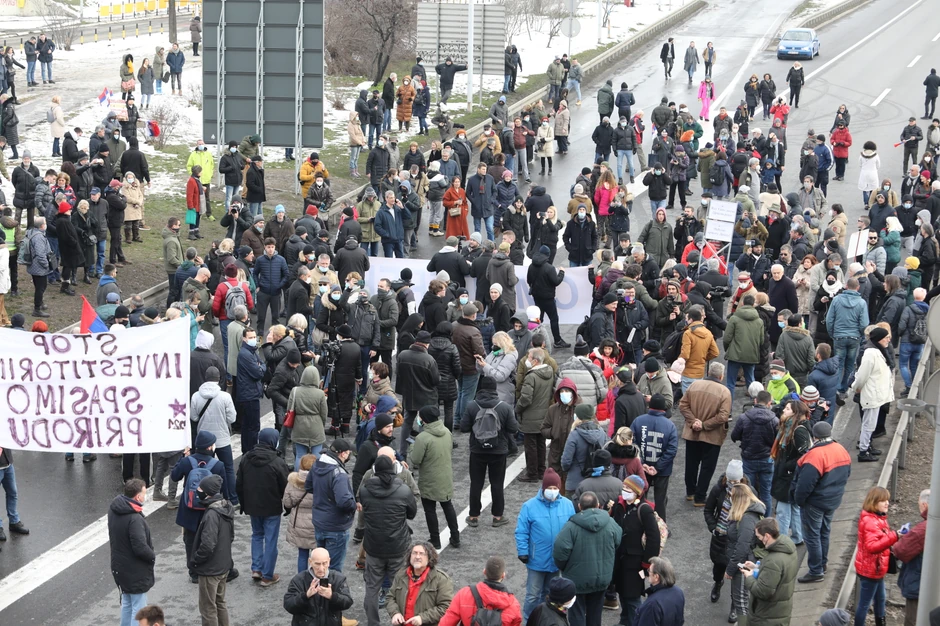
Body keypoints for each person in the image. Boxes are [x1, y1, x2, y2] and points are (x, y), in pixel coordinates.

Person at [359, 455, 418, 626]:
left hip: (373, 545)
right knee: (400, 588)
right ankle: (400, 621)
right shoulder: (404, 490)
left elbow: (364, 510)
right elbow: (412, 513)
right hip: (398, 546)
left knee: (372, 587)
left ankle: (373, 622)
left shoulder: (364, 490)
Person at [793, 421, 851, 583]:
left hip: (815, 503)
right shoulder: (841, 449)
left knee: (812, 536)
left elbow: (804, 485)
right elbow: (847, 474)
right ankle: (822, 564)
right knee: (824, 532)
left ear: (814, 436)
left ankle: (816, 570)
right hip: (832, 500)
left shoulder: (815, 455)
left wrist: (799, 501)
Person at [552, 491, 621, 626]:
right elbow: (618, 542)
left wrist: (565, 568)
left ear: (579, 506)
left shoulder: (571, 527)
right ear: (598, 505)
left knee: (576, 614)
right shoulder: (610, 523)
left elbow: (560, 552)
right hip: (602, 578)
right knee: (595, 614)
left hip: (576, 580)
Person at [515, 468, 575, 620]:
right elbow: (522, 531)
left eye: (555, 488)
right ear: (543, 488)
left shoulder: (567, 505)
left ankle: (546, 620)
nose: (553, 491)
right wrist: (523, 551)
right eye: (550, 488)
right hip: (536, 560)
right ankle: (530, 620)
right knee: (532, 595)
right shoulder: (529, 506)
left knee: (550, 595)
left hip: (556, 561)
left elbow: (573, 530)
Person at [461, 375, 518, 527]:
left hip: (477, 450)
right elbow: (513, 428)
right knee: (497, 484)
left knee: (476, 483)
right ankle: (497, 516)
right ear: (494, 388)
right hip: (498, 451)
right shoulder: (504, 406)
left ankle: (473, 516)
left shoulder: (472, 406)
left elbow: (464, 427)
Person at [236, 428, 289, 587]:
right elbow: (285, 486)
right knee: (270, 539)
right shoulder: (277, 462)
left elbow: (239, 484)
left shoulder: (246, 458)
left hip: (253, 506)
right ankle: (267, 575)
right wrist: (287, 506)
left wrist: (243, 504)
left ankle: (256, 569)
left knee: (257, 535)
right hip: (272, 506)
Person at [679, 363, 732, 507]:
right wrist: (704, 425)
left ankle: (690, 492)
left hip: (692, 433)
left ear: (708, 372)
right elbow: (723, 417)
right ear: (721, 376)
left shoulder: (694, 385)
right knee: (707, 468)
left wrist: (693, 421)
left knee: (691, 464)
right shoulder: (724, 392)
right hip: (712, 436)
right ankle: (700, 497)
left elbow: (682, 405)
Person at [611, 474, 661, 624]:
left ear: (637, 492)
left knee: (632, 598)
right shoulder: (619, 506)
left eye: (628, 488)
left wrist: (647, 564)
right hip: (620, 561)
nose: (624, 490)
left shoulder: (644, 510)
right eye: (624, 487)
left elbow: (654, 538)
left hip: (635, 563)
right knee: (623, 594)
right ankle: (625, 621)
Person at [411, 406, 460, 549]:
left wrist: (411, 448)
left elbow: (416, 459)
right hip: (445, 476)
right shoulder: (446, 432)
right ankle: (455, 537)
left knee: (430, 510)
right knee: (448, 506)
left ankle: (435, 539)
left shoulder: (422, 438)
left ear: (424, 420)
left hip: (429, 479)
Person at [853, 486, 904, 626]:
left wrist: (894, 536)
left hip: (876, 569)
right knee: (865, 604)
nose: (887, 503)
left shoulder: (878, 518)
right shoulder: (871, 521)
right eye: (883, 500)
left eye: (887, 500)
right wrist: (895, 536)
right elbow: (872, 547)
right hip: (870, 570)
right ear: (874, 502)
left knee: (881, 599)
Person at [108, 478, 155, 626]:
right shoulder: (134, 519)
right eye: (144, 493)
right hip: (135, 571)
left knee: (127, 603)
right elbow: (140, 547)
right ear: (137, 497)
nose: (145, 496)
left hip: (120, 567)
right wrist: (152, 556)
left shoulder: (114, 509)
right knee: (139, 609)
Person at [190, 474, 235, 626]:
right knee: (220, 602)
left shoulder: (211, 514)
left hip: (211, 569)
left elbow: (208, 545)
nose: (197, 490)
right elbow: (231, 536)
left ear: (208, 492)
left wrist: (196, 559)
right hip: (223, 565)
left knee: (208, 608)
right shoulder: (226, 507)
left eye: (200, 488)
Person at [738, 518, 798, 625]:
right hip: (780, 612)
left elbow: (762, 591)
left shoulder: (773, 560)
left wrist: (749, 576)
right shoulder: (788, 548)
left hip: (766, 616)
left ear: (767, 536)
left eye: (759, 537)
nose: (758, 539)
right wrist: (757, 568)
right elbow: (778, 574)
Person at [629, 393, 678, 521]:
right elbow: (672, 449)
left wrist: (643, 463)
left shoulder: (638, 421)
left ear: (649, 406)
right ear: (664, 409)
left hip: (642, 468)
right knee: (660, 499)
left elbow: (632, 444)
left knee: (640, 496)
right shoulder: (670, 425)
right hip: (663, 470)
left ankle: (639, 522)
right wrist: (658, 467)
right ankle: (661, 526)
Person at [730, 390, 779, 515]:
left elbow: (734, 435)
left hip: (749, 458)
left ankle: (749, 517)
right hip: (767, 459)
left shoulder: (744, 417)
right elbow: (777, 441)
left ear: (755, 401)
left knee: (748, 491)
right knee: (766, 492)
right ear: (769, 403)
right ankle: (766, 519)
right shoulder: (774, 420)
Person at [438, 556, 522, 626]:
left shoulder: (464, 593)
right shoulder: (513, 605)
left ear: (484, 571)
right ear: (503, 575)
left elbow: (446, 622)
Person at [387, 542, 455, 626]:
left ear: (429, 557)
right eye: (414, 553)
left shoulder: (441, 579)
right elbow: (390, 597)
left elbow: (446, 607)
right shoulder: (401, 574)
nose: (417, 557)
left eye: (422, 554)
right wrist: (395, 613)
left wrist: (422, 618)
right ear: (409, 556)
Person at [283, 547, 355, 626]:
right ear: (310, 562)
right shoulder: (299, 580)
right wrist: (305, 596)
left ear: (329, 562)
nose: (321, 568)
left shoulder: (338, 579)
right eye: (317, 564)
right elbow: (288, 605)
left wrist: (332, 596)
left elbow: (348, 602)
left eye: (324, 563)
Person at [826, 278, 869, 400]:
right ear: (858, 288)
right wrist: (860, 335)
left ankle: (836, 388)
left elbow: (829, 320)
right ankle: (844, 389)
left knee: (838, 364)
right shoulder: (861, 303)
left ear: (846, 286)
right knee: (850, 364)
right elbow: (864, 323)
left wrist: (832, 334)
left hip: (839, 336)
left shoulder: (836, 300)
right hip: (854, 337)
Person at [895, 489, 929, 626]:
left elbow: (900, 550)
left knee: (913, 619)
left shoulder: (923, 530)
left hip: (919, 583)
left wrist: (904, 538)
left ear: (924, 505)